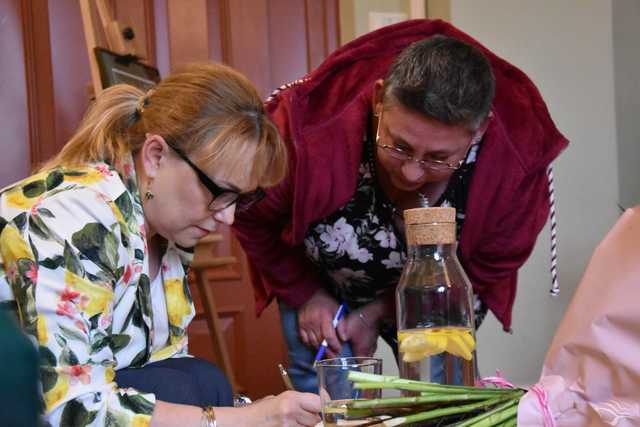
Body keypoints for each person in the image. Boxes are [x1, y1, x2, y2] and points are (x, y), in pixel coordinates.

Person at [232, 19, 569, 393]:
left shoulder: (515, 165)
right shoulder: (308, 132)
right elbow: (251, 215)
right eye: (399, 146)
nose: (410, 173)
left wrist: (375, 313)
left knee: (438, 397)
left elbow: (493, 263)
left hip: (438, 291)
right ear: (378, 100)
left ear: (479, 131)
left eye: (438, 158)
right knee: (324, 395)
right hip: (320, 285)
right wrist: (305, 292)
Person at [0, 63, 320, 427]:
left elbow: (161, 376)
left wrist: (251, 411)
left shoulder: (164, 231)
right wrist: (245, 419)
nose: (228, 218)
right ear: (155, 156)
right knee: (196, 387)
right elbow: (73, 410)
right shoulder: (77, 219)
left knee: (198, 381)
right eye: (219, 193)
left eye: (240, 200)